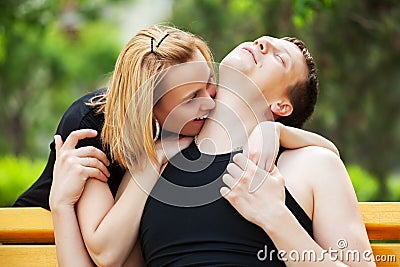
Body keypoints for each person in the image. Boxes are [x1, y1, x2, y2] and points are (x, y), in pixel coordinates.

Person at [17, 25, 340, 265]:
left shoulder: (313, 164)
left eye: (280, 58)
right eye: (189, 95)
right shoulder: (139, 152)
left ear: (282, 106)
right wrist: (60, 204)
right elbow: (106, 255)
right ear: (154, 109)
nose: (263, 42)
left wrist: (275, 209)